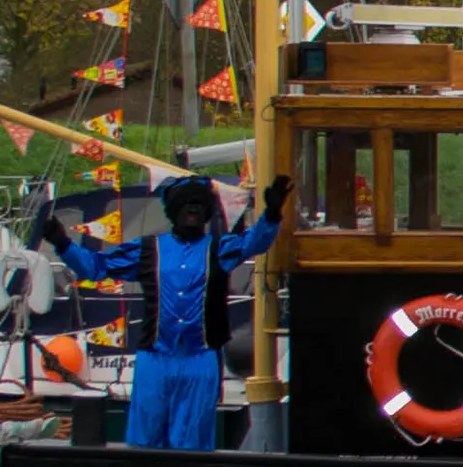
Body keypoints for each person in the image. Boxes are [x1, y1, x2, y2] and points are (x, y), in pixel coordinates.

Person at [37, 171, 289, 449]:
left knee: (192, 442)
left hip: (200, 360)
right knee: (145, 440)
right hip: (154, 360)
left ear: (206, 212)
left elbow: (254, 242)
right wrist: (62, 243)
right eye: (185, 205)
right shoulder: (148, 249)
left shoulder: (219, 248)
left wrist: (272, 214)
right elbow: (94, 267)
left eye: (198, 206)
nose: (191, 212)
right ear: (173, 211)